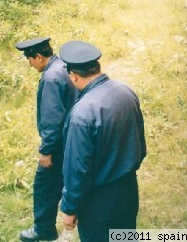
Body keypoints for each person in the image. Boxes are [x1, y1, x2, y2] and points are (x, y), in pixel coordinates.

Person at [59, 40, 146, 242]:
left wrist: (69, 208)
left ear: (73, 76)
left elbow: (77, 168)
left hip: (98, 202)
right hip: (128, 190)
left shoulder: (81, 114)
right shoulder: (126, 91)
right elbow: (139, 143)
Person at [15, 37, 77, 242]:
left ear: (39, 56)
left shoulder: (51, 77)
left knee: (44, 186)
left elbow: (52, 118)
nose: (30, 64)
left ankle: (43, 229)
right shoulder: (64, 66)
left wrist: (46, 151)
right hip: (72, 139)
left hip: (58, 144)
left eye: (30, 60)